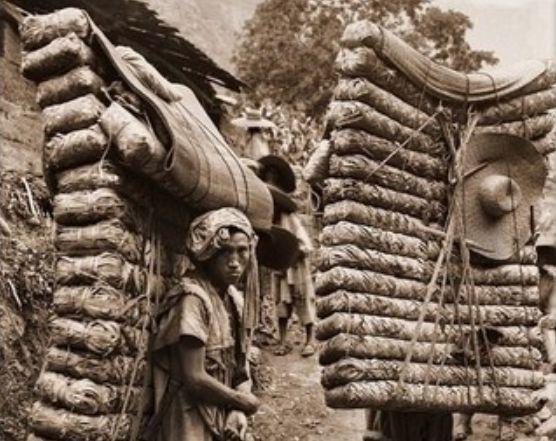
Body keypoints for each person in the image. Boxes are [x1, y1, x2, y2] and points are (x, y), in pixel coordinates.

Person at [148, 208, 261, 441]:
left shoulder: (234, 300)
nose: (234, 262)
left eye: (242, 251)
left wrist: (237, 410)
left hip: (222, 412)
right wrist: (241, 401)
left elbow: (240, 368)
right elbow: (194, 378)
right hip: (190, 416)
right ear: (208, 255)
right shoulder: (192, 300)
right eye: (225, 252)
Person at [272, 211, 317, 357]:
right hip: (281, 269)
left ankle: (310, 341)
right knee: (281, 305)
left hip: (297, 268)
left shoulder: (291, 220)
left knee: (304, 301)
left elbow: (306, 246)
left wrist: (291, 254)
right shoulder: (269, 220)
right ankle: (283, 341)